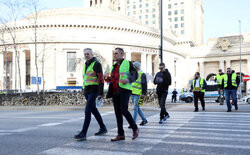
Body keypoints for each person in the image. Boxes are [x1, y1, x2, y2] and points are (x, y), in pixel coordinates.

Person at [105, 47, 139, 141]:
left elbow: (135, 75)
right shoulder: (114, 66)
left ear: (122, 54)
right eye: (114, 53)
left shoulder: (127, 63)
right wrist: (107, 79)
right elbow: (113, 79)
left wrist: (128, 80)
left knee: (124, 110)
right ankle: (121, 134)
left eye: (116, 53)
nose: (114, 55)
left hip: (125, 90)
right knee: (117, 113)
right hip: (115, 92)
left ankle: (135, 128)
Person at [74, 48, 107, 141]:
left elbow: (101, 79)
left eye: (88, 54)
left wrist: (101, 93)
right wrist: (83, 89)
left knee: (87, 111)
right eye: (85, 54)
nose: (86, 55)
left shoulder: (97, 64)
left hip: (94, 91)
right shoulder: (85, 64)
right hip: (87, 91)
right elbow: (85, 79)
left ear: (92, 54)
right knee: (94, 110)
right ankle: (103, 128)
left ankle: (83, 133)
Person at [129, 61, 148, 128]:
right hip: (132, 93)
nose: (132, 67)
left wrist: (143, 93)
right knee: (137, 108)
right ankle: (144, 120)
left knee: (135, 109)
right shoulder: (133, 73)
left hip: (138, 94)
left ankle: (132, 123)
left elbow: (144, 84)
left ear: (136, 67)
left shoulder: (142, 74)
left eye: (133, 66)